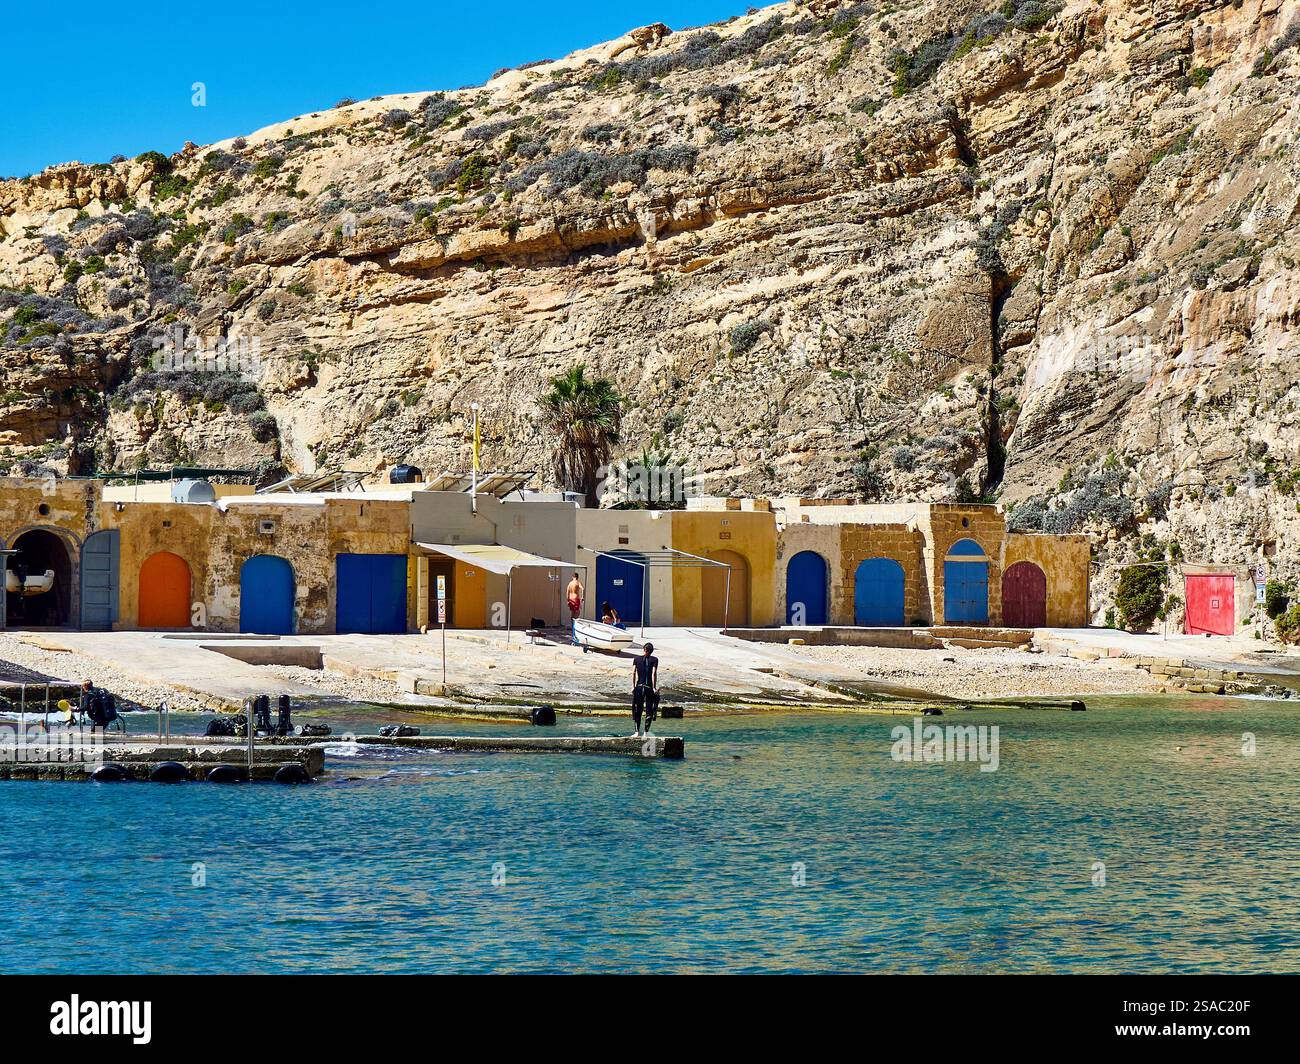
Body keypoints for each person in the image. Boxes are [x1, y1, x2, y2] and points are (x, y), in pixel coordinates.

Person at [631, 642, 659, 738]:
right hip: (648, 688)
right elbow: (653, 673)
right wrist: (654, 687)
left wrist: (633, 686)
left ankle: (636, 732)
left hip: (639, 687)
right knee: (649, 710)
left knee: (637, 710)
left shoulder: (636, 659)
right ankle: (646, 733)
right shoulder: (654, 659)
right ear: (651, 651)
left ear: (644, 649)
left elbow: (633, 672)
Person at [566, 572, 584, 638]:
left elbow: (567, 592)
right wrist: (582, 596)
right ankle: (575, 626)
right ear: (577, 577)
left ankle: (572, 625)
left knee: (572, 613)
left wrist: (568, 600)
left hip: (571, 599)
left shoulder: (570, 583)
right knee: (577, 612)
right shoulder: (578, 582)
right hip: (576, 598)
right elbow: (583, 588)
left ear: (572, 577)